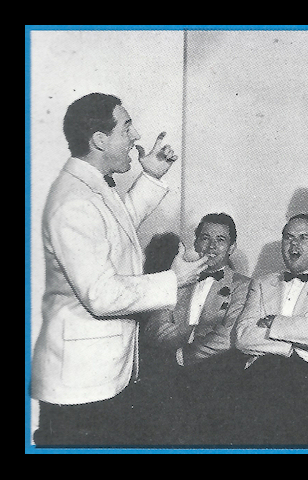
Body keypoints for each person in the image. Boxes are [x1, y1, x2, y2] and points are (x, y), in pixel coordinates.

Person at [31, 93, 209, 446]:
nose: (137, 136)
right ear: (99, 140)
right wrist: (174, 281)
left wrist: (151, 177)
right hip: (83, 389)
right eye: (127, 127)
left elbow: (115, 227)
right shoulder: (75, 202)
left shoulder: (89, 186)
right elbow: (102, 295)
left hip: (99, 379)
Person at [141, 213, 251, 445]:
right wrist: (189, 335)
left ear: (232, 247)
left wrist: (183, 353)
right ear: (196, 243)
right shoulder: (178, 280)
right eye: (205, 238)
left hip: (215, 376)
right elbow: (154, 327)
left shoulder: (243, 285)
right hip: (171, 372)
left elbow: (227, 335)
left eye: (220, 240)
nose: (211, 246)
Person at [233, 214, 308, 445]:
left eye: (303, 237)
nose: (294, 244)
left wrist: (273, 322)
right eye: (289, 237)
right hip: (260, 372)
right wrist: (293, 341)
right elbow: (243, 337)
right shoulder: (262, 283)